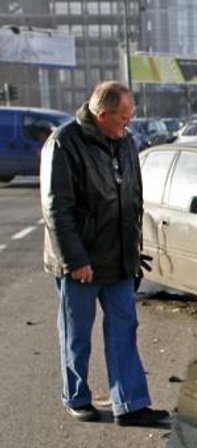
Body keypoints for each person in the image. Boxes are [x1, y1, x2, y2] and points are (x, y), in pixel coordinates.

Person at [40, 81, 169, 427]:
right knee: (76, 333)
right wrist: (75, 260)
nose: (128, 125)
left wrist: (134, 252)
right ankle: (77, 397)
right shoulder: (64, 143)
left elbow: (134, 200)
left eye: (130, 117)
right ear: (101, 115)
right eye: (123, 118)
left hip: (118, 260)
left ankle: (130, 403)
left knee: (124, 329)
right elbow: (57, 208)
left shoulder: (125, 142)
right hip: (80, 262)